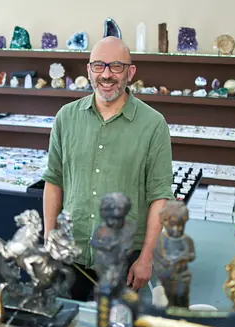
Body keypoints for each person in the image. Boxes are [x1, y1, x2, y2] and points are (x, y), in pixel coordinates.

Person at [42, 36, 174, 301]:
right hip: (71, 250)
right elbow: (54, 181)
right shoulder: (66, 117)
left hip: (123, 259)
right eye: (99, 66)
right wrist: (48, 238)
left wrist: (147, 257)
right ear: (89, 70)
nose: (106, 75)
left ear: (130, 71)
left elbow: (160, 196)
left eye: (116, 66)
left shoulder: (153, 124)